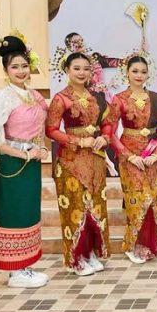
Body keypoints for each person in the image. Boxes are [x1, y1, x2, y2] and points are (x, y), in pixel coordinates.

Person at [0, 33, 49, 288]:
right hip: (13, 161)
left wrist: (39, 148)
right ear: (6, 70)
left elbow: (39, 127)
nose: (21, 71)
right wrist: (25, 154)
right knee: (13, 210)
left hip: (31, 161)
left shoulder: (32, 95)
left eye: (24, 65)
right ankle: (14, 270)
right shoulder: (1, 97)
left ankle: (25, 265)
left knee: (28, 210)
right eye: (15, 67)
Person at [46, 52, 112, 276]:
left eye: (86, 68)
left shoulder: (97, 96)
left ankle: (91, 252)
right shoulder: (60, 98)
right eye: (77, 68)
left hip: (95, 159)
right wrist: (78, 141)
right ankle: (76, 258)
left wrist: (105, 137)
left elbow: (107, 122)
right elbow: (51, 130)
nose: (82, 73)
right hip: (70, 161)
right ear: (67, 70)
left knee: (94, 208)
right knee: (75, 208)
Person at [107, 55, 157, 264]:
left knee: (152, 198)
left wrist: (156, 154)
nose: (139, 75)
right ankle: (131, 245)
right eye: (135, 71)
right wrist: (129, 156)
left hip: (152, 157)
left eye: (143, 72)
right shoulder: (119, 99)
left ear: (148, 74)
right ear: (127, 73)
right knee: (135, 199)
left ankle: (149, 243)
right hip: (130, 155)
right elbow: (110, 132)